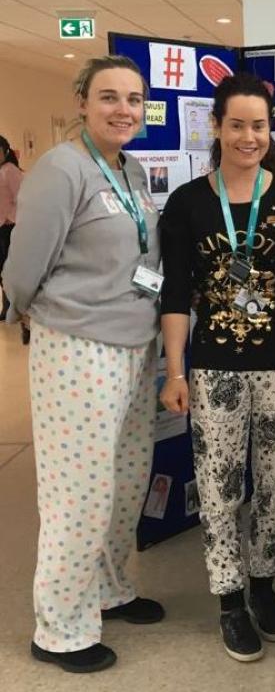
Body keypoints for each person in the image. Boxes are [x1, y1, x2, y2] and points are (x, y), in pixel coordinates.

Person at [158, 72, 275, 663]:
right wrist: (175, 372)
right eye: (236, 125)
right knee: (219, 487)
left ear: (270, 128)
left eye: (259, 125)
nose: (248, 137)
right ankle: (229, 600)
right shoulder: (188, 203)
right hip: (215, 370)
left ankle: (262, 584)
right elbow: (174, 295)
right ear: (216, 126)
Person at [3, 55, 163, 674]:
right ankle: (61, 628)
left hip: (135, 342)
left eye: (133, 99)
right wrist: (35, 310)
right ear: (82, 102)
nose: (123, 109)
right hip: (77, 345)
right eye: (109, 97)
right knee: (79, 491)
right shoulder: (60, 168)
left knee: (125, 480)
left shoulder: (132, 169)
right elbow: (23, 266)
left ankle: (110, 588)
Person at [0, 134, 23, 322]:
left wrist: (10, 217)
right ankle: (7, 306)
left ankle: (11, 308)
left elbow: (21, 198)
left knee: (8, 268)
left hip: (9, 227)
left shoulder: (10, 170)